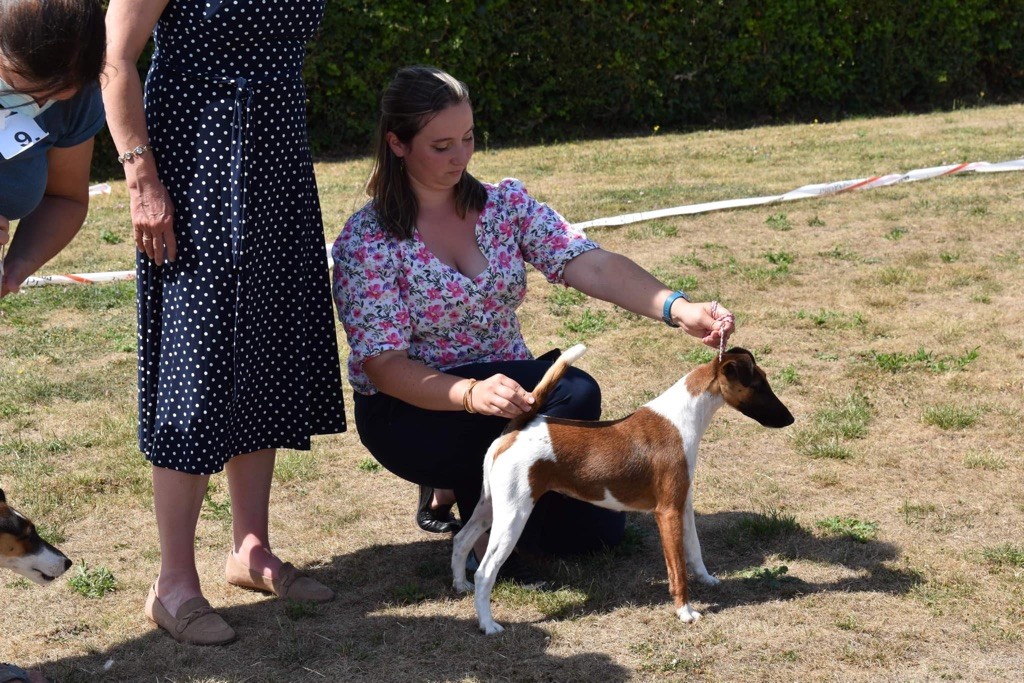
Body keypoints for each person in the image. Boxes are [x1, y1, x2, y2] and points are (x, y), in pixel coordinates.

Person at [332, 66, 735, 579]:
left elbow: (589, 261)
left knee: (597, 538)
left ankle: (477, 495)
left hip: (508, 393)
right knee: (577, 394)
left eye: (469, 137)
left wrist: (679, 308)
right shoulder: (367, 241)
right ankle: (456, 487)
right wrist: (469, 393)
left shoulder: (504, 204)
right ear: (397, 144)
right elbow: (384, 366)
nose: (461, 157)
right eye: (441, 146)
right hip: (412, 412)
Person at [102, 0, 346, 646]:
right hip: (193, 158)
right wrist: (140, 178)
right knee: (198, 355)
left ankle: (250, 548)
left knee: (263, 342)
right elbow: (115, 57)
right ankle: (173, 583)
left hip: (275, 155)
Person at [0, 0, 105, 299]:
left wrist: (17, 267)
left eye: (56, 95)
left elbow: (64, 198)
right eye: (26, 90)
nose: (38, 105)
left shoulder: (77, 95)